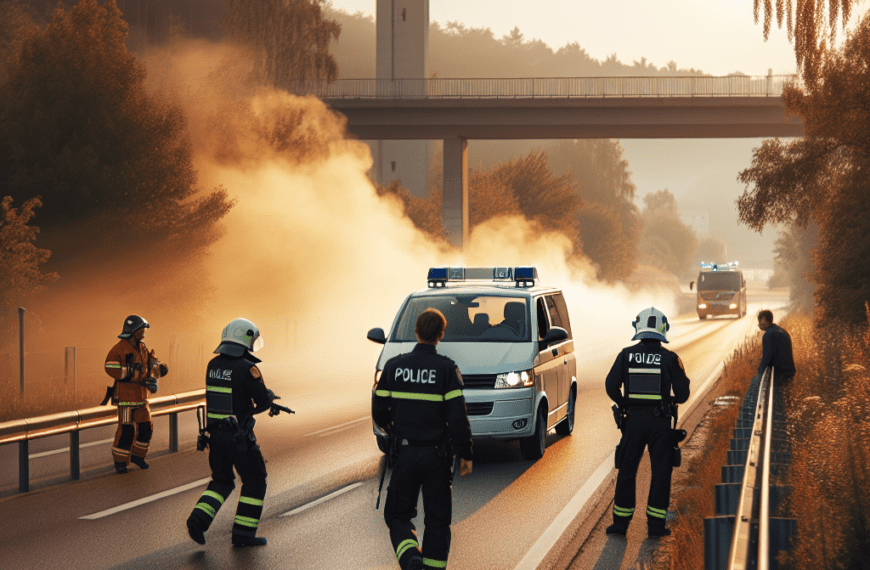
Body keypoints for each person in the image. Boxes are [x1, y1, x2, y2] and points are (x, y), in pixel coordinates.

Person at [373, 308, 474, 570]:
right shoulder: (447, 369)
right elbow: (458, 418)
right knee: (438, 521)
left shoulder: (394, 367)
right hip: (437, 457)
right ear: (440, 335)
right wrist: (466, 453)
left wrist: (393, 429)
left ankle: (411, 560)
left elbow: (378, 409)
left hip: (405, 455)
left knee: (397, 515)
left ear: (416, 331)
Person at [186, 318, 283, 547]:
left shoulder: (213, 365)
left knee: (222, 480)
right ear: (245, 338)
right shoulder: (248, 368)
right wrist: (268, 397)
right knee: (255, 480)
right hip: (239, 439)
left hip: (216, 437)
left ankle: (197, 519)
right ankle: (243, 534)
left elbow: (229, 396)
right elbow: (260, 402)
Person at [605, 307, 690, 538]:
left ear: (637, 327)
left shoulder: (625, 355)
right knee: (661, 472)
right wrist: (669, 399)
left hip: (632, 422)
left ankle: (620, 524)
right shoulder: (670, 358)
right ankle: (655, 526)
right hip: (659, 423)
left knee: (627, 471)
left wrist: (624, 404)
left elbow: (611, 386)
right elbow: (682, 395)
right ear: (664, 329)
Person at [103, 315, 168, 474]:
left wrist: (158, 369)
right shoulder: (119, 349)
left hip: (141, 397)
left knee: (146, 428)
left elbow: (150, 363)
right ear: (132, 330)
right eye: (141, 329)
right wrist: (130, 373)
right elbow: (109, 366)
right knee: (127, 430)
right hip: (125, 399)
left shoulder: (143, 347)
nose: (143, 332)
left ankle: (138, 457)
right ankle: (120, 462)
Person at [757, 309, 796, 385]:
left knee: (777, 395)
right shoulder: (781, 331)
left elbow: (766, 358)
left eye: (760, 321)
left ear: (765, 320)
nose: (759, 324)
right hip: (789, 373)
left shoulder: (768, 335)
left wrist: (759, 373)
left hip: (780, 376)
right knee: (786, 395)